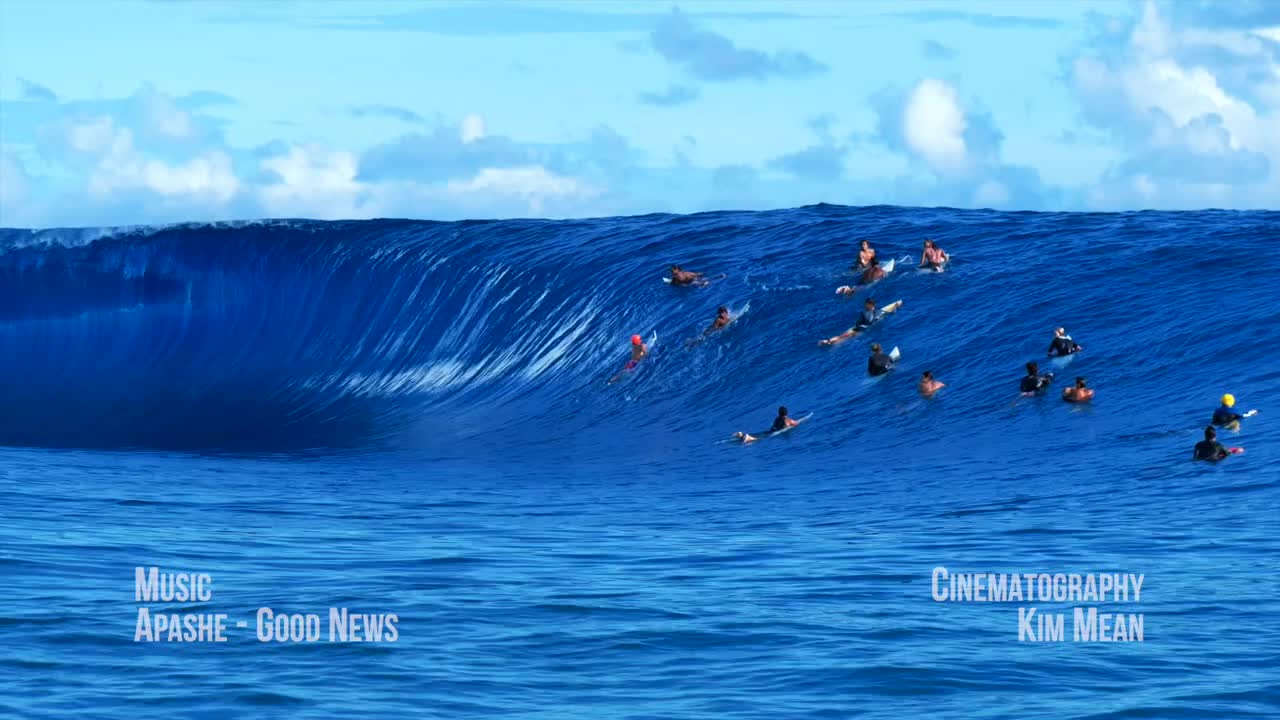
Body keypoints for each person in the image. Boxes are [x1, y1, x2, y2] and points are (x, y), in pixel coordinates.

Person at [820, 298, 900, 346]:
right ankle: (830, 342)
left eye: (866, 304)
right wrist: (895, 307)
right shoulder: (880, 312)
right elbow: (888, 313)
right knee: (843, 339)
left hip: (857, 329)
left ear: (870, 305)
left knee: (842, 337)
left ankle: (829, 341)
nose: (865, 305)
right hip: (863, 330)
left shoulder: (864, 313)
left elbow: (858, 323)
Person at [734, 406, 798, 444]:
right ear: (787, 412)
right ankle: (748, 437)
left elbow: (773, 426)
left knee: (760, 434)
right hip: (776, 432)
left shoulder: (777, 418)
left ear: (779, 413)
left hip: (771, 430)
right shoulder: (788, 420)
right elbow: (796, 423)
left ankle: (742, 435)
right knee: (759, 439)